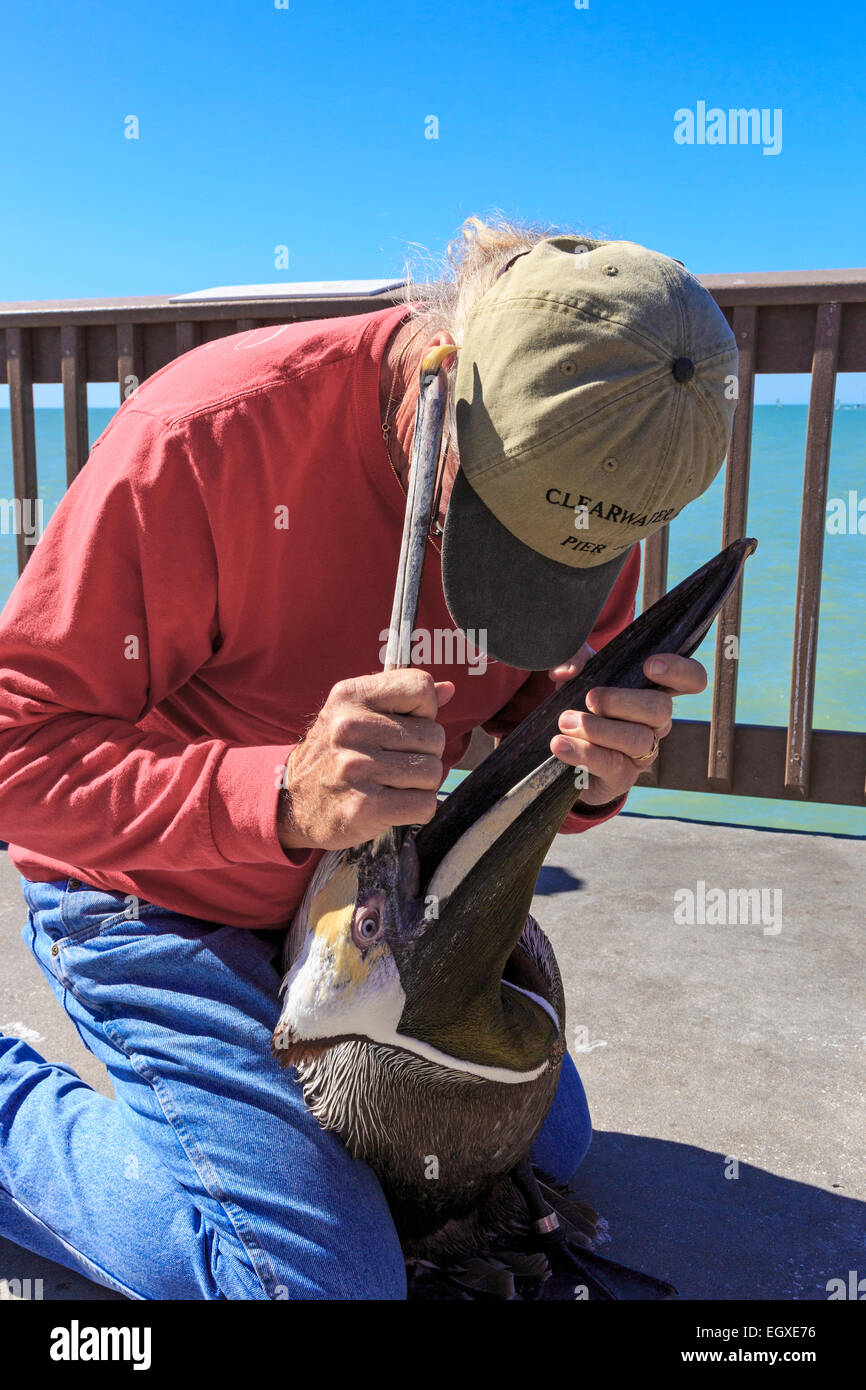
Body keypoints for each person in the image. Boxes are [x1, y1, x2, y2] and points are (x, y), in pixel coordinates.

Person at [0, 215, 737, 1299]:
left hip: (361, 900)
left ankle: (253, 1123)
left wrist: (587, 772)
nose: (530, 579)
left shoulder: (594, 466)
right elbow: (22, 756)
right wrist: (282, 797)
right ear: (438, 373)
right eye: (489, 526)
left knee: (546, 1144)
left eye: (571, 559)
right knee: (315, 1282)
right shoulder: (206, 433)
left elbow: (537, 709)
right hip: (144, 889)